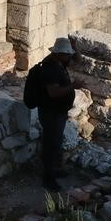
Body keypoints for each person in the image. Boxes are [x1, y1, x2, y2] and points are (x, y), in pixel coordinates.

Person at [33, 37, 77, 191]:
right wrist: (73, 86)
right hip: (50, 113)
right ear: (59, 54)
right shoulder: (50, 69)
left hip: (57, 112)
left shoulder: (58, 63)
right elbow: (53, 92)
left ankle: (55, 170)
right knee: (51, 145)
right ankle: (48, 179)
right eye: (67, 54)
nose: (69, 57)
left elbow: (75, 62)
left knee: (55, 143)